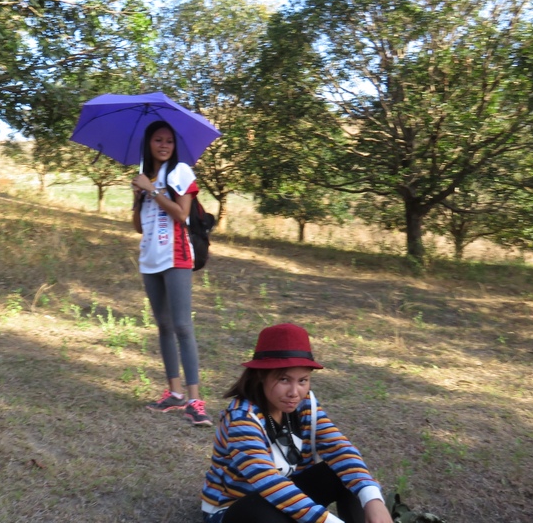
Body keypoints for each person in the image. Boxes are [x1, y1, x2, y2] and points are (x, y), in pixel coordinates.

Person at [201, 323, 393, 523]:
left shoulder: (305, 404)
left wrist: (372, 499)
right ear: (261, 375)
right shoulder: (242, 418)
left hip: (288, 497)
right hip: (239, 507)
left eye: (302, 380)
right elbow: (269, 483)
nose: (294, 392)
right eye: (284, 379)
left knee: (344, 473)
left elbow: (339, 448)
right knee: (262, 515)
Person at [130, 120, 212, 427]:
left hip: (176, 256)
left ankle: (195, 401)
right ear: (148, 143)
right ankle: (174, 393)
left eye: (169, 140)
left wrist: (152, 191)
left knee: (182, 326)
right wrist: (139, 195)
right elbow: (138, 227)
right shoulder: (144, 176)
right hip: (149, 258)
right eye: (158, 140)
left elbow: (181, 214)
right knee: (163, 325)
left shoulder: (181, 172)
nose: (164, 145)